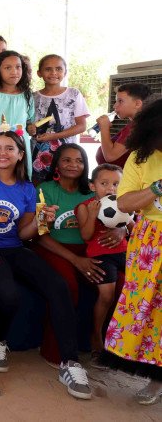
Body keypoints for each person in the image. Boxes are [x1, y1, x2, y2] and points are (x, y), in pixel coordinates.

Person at [0, 131, 91, 399]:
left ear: (21, 154)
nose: (3, 153)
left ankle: (70, 362)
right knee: (8, 296)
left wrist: (43, 221)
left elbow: (23, 234)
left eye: (10, 148)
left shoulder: (28, 188)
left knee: (58, 285)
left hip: (15, 248)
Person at [102, 98, 162, 404]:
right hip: (151, 241)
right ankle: (154, 379)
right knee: (148, 309)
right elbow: (123, 204)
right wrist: (156, 188)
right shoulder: (141, 157)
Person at [33, 144, 107, 365]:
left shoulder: (93, 191)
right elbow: (40, 234)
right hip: (52, 247)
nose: (73, 165)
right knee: (67, 285)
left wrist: (121, 228)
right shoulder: (45, 189)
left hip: (88, 249)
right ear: (56, 164)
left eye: (79, 161)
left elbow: (115, 216)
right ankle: (56, 351)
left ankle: (101, 341)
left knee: (117, 282)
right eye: (66, 160)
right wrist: (76, 260)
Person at [76, 163, 127, 366]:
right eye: (104, 183)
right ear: (92, 186)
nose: (110, 189)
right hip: (101, 255)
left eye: (116, 184)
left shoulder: (124, 205)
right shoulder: (84, 206)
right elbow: (86, 235)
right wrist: (91, 213)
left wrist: (123, 229)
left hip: (123, 251)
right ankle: (96, 335)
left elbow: (134, 226)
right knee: (107, 294)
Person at [32, 55, 89, 183]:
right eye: (48, 69)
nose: (53, 73)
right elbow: (28, 126)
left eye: (58, 69)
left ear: (65, 72)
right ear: (39, 73)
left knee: (65, 186)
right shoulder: (33, 97)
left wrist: (54, 136)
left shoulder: (74, 94)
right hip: (38, 156)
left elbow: (81, 126)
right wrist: (30, 128)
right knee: (40, 190)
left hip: (67, 156)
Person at [95, 83, 152, 168]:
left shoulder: (136, 126)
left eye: (120, 101)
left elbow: (110, 156)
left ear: (137, 104)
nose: (115, 106)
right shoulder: (142, 123)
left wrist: (104, 128)